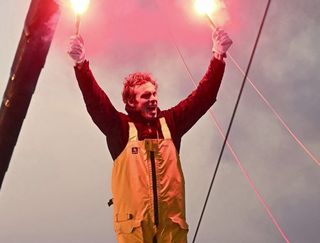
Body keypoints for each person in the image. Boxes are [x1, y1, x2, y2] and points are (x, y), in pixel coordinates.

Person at [68, 28, 232, 243]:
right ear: (131, 102)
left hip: (171, 232)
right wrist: (81, 65)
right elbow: (96, 103)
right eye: (146, 96)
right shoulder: (120, 128)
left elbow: (204, 97)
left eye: (154, 93)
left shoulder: (171, 124)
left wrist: (218, 56)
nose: (153, 99)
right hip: (135, 232)